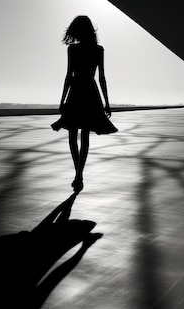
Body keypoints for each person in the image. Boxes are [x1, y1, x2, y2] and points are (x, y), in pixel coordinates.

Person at [51, 15, 118, 193]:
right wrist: (106, 102)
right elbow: (101, 78)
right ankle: (79, 174)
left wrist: (63, 99)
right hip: (90, 93)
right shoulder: (97, 49)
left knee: (73, 136)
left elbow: (69, 76)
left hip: (78, 92)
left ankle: (78, 174)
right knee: (84, 136)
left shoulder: (75, 50)